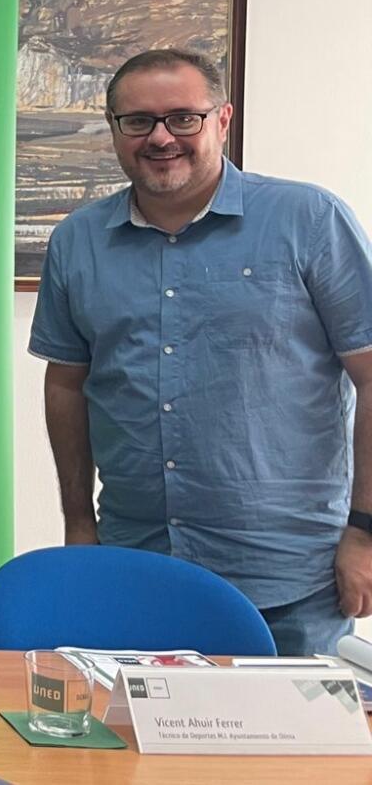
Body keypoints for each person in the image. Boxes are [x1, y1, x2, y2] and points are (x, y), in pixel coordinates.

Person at [32, 48, 372, 656]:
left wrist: (365, 532)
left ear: (223, 120)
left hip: (289, 580)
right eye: (138, 121)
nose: (161, 137)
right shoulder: (77, 240)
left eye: (183, 118)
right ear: (113, 129)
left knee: (288, 725)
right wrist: (79, 523)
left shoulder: (309, 219)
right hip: (138, 570)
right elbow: (66, 385)